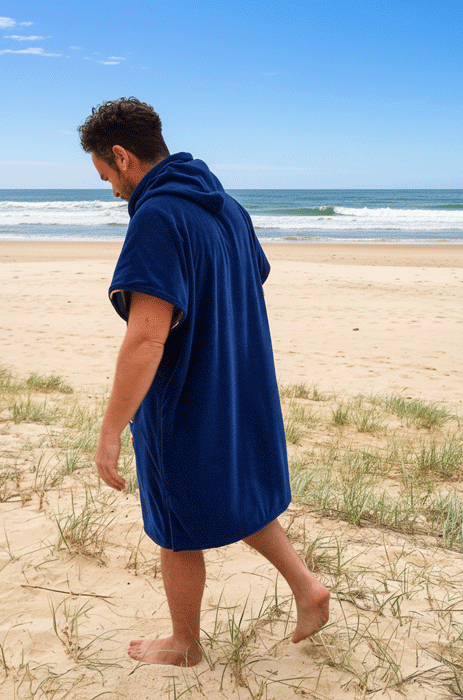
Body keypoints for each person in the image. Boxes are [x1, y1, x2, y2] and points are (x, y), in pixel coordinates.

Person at [78, 98, 329, 666]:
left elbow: (146, 338)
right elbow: (251, 279)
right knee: (232, 490)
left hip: (188, 392)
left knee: (175, 524)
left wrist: (111, 428)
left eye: (106, 177)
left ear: (121, 156)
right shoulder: (227, 207)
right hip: (240, 381)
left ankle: (184, 644)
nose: (113, 192)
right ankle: (308, 588)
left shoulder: (157, 215)